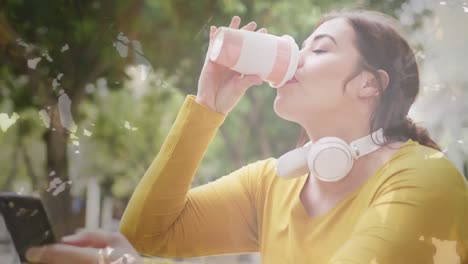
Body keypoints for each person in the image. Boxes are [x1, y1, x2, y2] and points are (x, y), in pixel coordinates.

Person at [26, 9, 468, 264]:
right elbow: (148, 233)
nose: (295, 57)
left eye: (319, 49)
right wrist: (208, 106)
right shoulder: (274, 183)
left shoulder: (424, 179)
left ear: (369, 84)